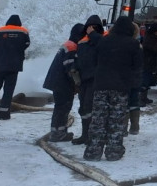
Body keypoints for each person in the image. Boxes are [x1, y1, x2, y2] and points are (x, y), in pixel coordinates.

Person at [83, 16, 142, 162]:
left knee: (98, 120)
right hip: (120, 88)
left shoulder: (104, 41)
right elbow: (138, 67)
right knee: (116, 121)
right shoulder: (133, 44)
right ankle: (114, 152)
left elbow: (95, 44)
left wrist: (90, 32)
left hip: (101, 86)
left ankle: (93, 152)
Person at [43, 23, 85, 141]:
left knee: (60, 107)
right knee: (63, 107)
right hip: (62, 83)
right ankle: (58, 134)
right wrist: (77, 83)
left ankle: (57, 131)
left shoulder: (68, 44)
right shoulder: (73, 47)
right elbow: (71, 69)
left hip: (57, 80)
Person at [0, 14, 30, 121]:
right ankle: (4, 114)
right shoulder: (23, 31)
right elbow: (26, 44)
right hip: (13, 67)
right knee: (8, 91)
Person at [71, 14, 104, 145]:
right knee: (84, 108)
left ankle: (93, 135)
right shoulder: (81, 42)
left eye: (95, 27)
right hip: (83, 80)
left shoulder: (103, 39)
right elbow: (77, 58)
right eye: (90, 27)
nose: (92, 29)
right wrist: (74, 72)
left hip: (96, 80)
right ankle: (85, 134)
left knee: (91, 108)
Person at [140, 23, 157, 105]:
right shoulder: (149, 39)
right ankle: (141, 99)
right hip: (146, 62)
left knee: (147, 80)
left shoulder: (152, 36)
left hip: (150, 62)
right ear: (155, 31)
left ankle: (144, 98)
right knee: (144, 80)